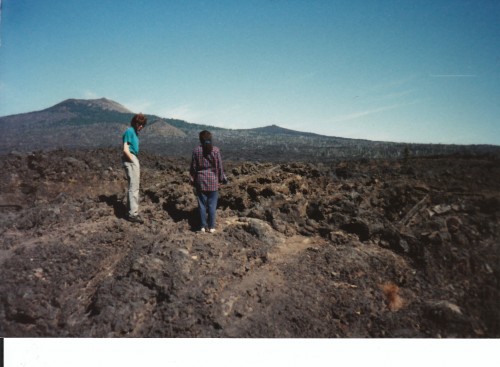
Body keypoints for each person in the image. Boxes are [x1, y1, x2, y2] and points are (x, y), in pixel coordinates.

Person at [190, 130, 227, 233]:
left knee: (202, 205)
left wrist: (192, 178)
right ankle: (211, 227)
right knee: (212, 205)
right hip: (213, 181)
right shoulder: (215, 150)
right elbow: (219, 166)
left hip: (200, 181)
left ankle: (202, 226)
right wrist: (222, 178)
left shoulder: (196, 151)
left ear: (200, 139)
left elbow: (193, 167)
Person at [122, 113, 147, 223]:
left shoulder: (134, 133)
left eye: (143, 124)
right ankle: (133, 214)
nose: (141, 126)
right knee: (134, 186)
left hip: (133, 158)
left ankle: (130, 212)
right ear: (135, 122)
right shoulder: (129, 131)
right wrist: (132, 161)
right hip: (131, 158)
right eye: (139, 124)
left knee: (133, 186)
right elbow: (125, 149)